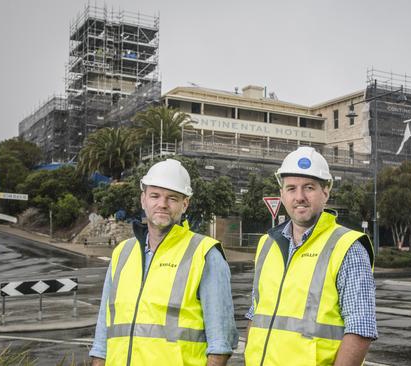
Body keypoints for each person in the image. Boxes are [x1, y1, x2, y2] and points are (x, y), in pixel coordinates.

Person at [89, 159, 238, 366]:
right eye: (155, 196)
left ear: (185, 204)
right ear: (143, 200)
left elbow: (220, 346)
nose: (162, 204)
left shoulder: (205, 254)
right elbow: (102, 337)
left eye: (172, 198)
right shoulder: (122, 253)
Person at [244, 146, 377, 365]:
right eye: (291, 188)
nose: (300, 197)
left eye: (309, 187)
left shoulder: (347, 247)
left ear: (326, 191)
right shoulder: (266, 245)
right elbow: (255, 312)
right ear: (282, 194)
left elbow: (360, 329)